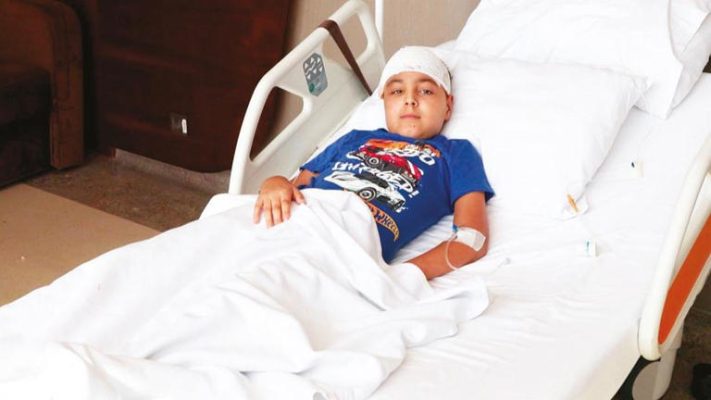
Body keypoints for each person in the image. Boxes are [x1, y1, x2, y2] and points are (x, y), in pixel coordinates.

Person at [253, 47, 494, 280]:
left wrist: (404, 275)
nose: (410, 100)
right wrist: (274, 182)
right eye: (397, 91)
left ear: (448, 106)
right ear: (384, 101)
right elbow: (293, 185)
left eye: (426, 91)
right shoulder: (355, 138)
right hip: (293, 218)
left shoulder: (456, 153)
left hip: (345, 242)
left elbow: (472, 238)